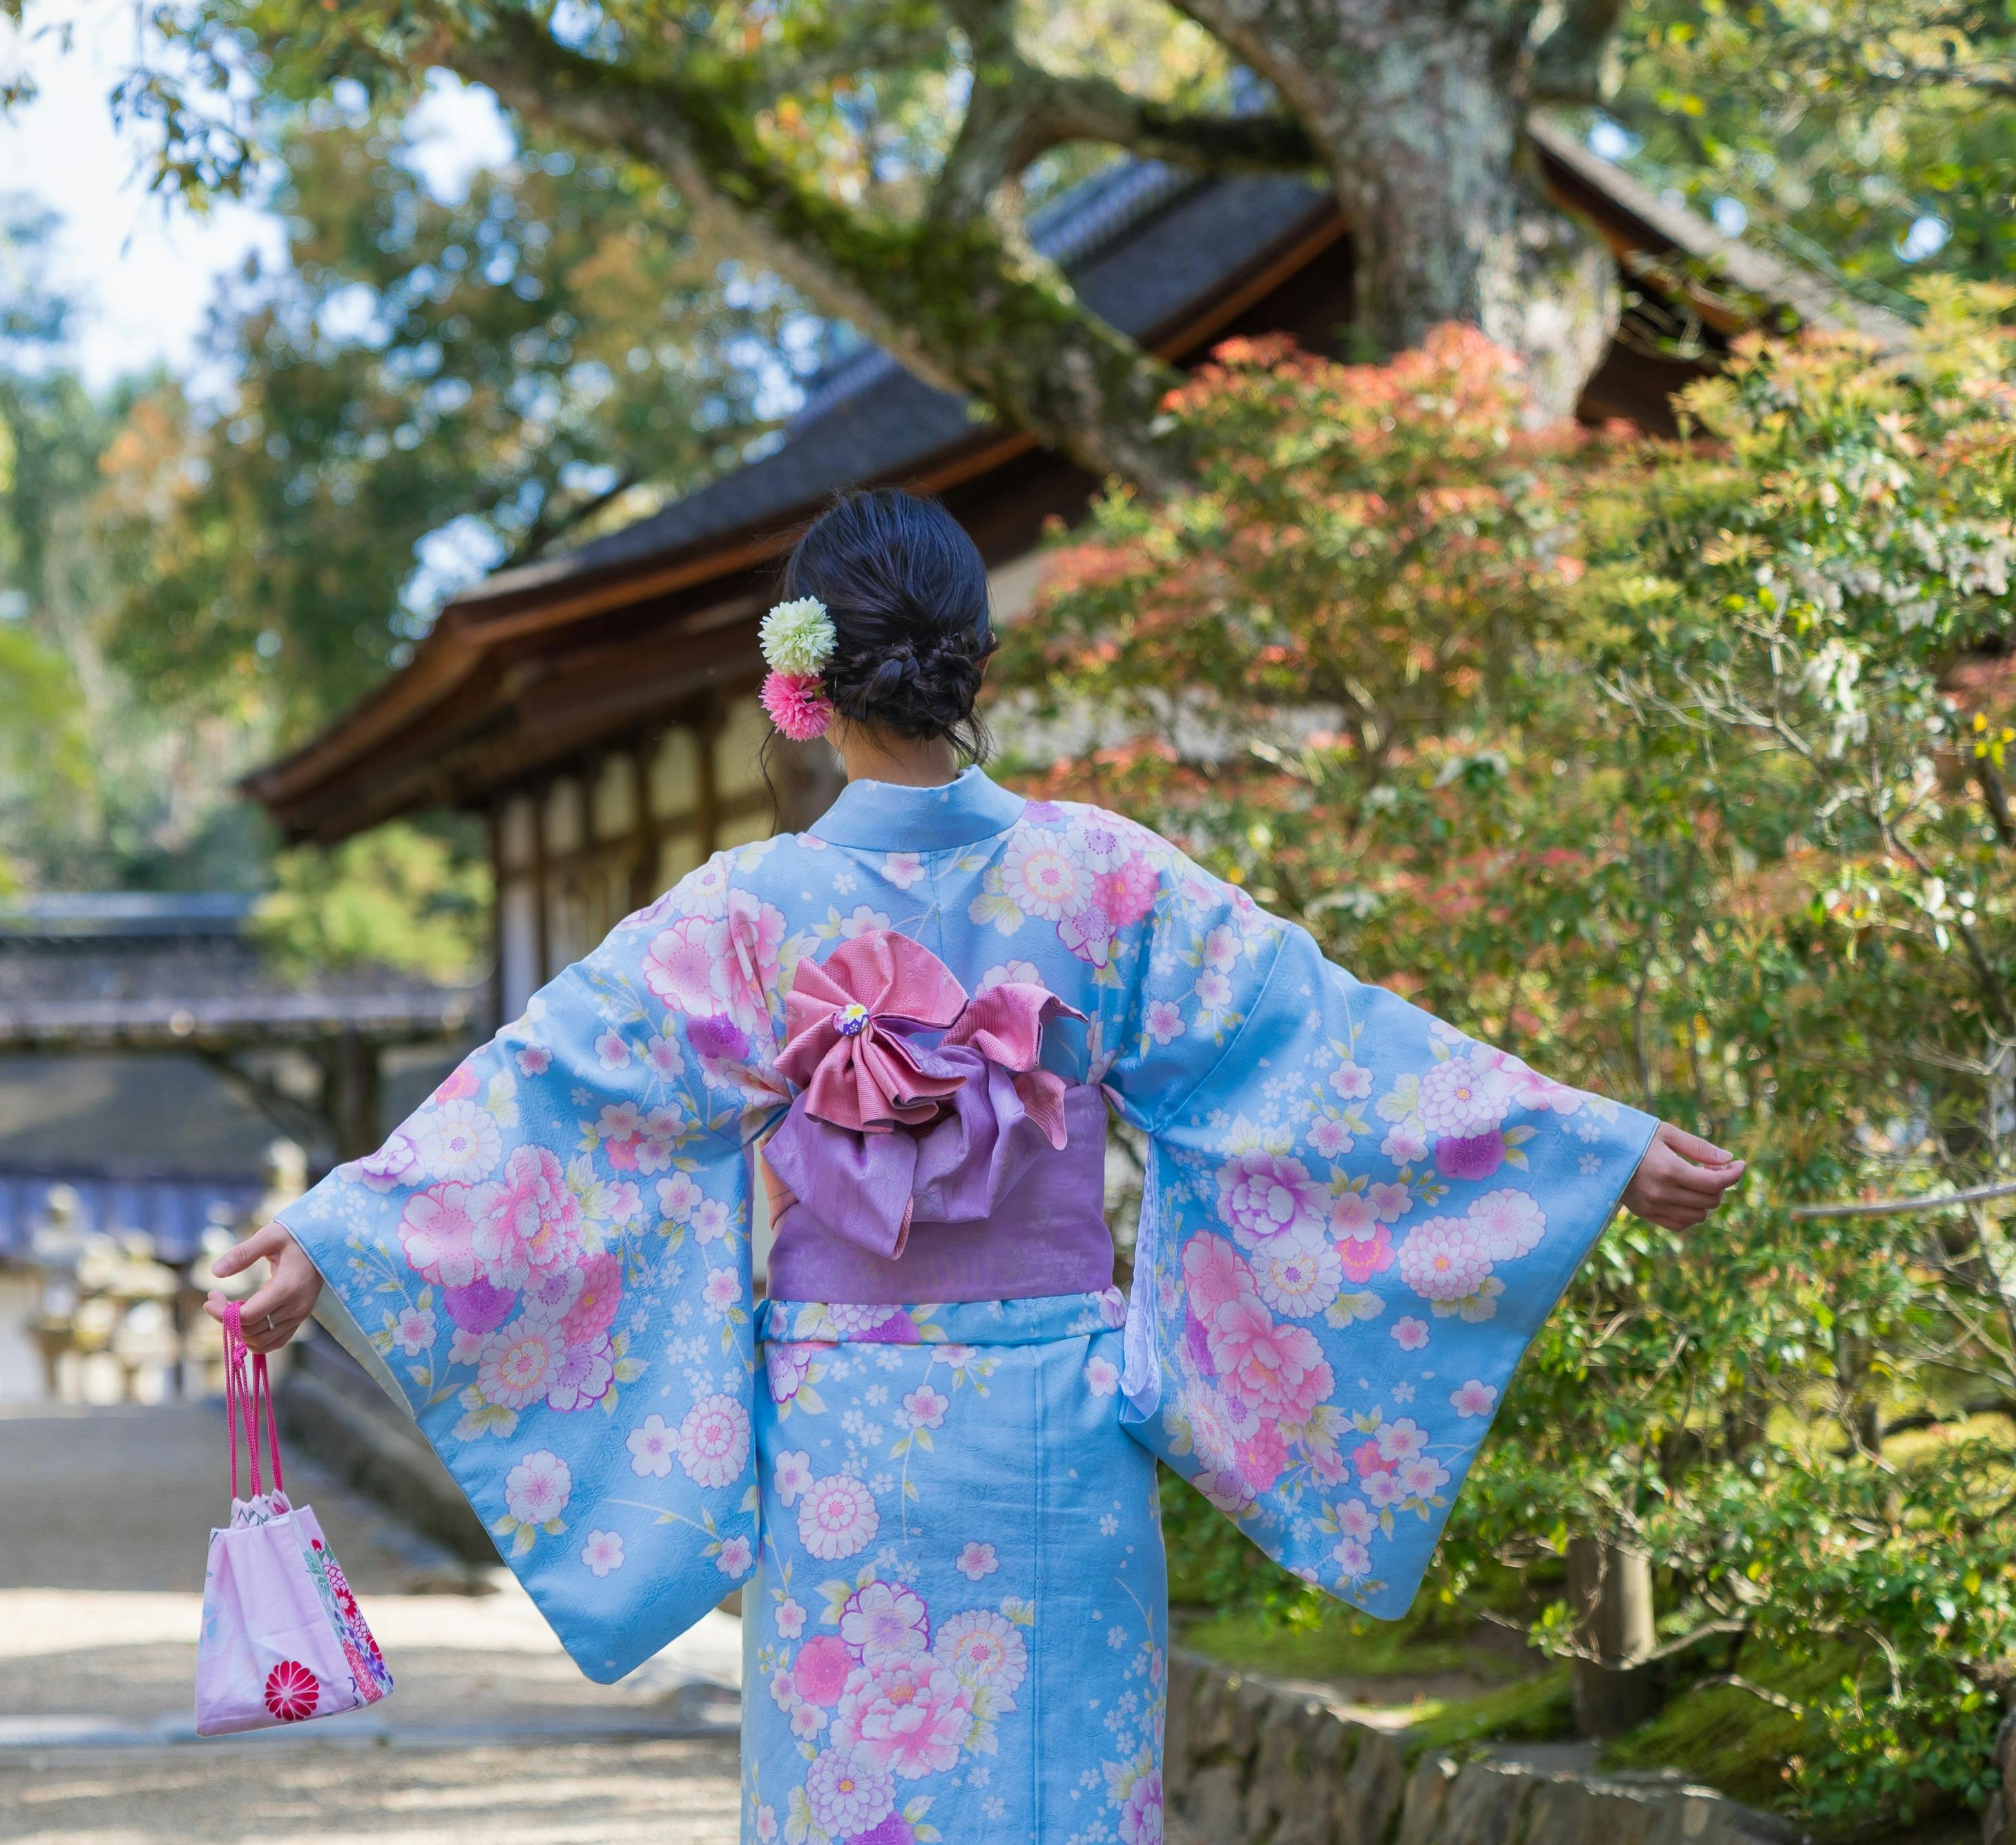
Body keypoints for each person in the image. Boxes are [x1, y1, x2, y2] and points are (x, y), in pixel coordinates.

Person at [213, 488, 1743, 1845]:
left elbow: (544, 1111)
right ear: (980, 672)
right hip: (1059, 1445)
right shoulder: (1101, 877)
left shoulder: (745, 913)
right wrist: (1578, 1147)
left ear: (798, 684)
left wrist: (338, 1234)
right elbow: (1324, 1058)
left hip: (843, 1456)